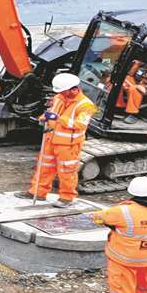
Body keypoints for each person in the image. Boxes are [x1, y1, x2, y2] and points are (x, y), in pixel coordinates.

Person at [30, 72, 97, 204]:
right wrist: (45, 117)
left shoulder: (86, 105)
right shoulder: (59, 97)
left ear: (74, 89)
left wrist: (59, 119)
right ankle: (37, 192)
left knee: (67, 172)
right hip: (51, 139)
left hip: (68, 145)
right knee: (44, 167)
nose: (61, 94)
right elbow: (52, 112)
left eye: (64, 91)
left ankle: (67, 197)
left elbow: (80, 124)